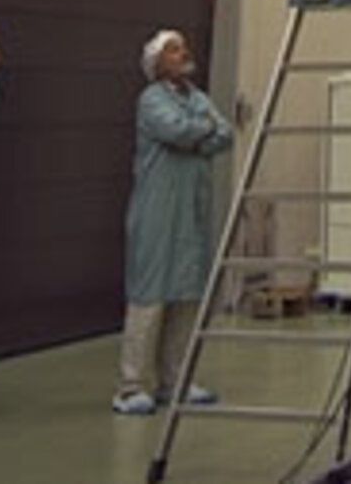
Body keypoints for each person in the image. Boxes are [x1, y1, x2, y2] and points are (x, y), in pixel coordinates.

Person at [114, 29, 235, 415]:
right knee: (149, 298)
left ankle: (175, 380)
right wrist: (202, 130)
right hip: (157, 211)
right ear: (155, 62)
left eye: (183, 47)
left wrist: (199, 130)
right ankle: (131, 386)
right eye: (174, 49)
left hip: (190, 213)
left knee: (185, 297)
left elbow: (226, 134)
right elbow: (178, 131)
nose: (184, 53)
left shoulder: (196, 98)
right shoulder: (151, 100)